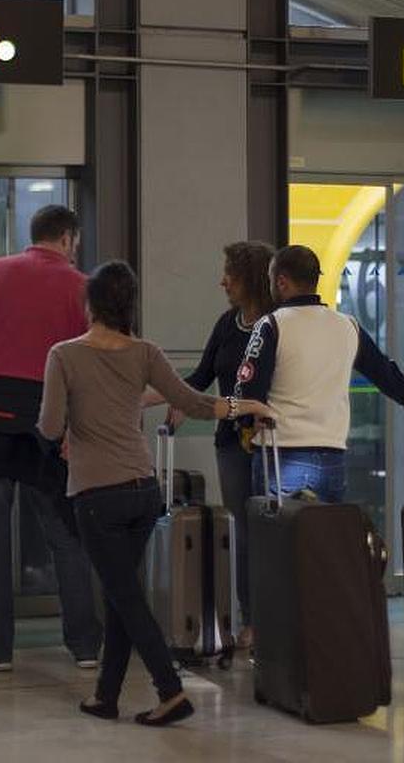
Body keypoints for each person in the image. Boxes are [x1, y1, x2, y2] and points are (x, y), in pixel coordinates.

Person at [38, 261, 275, 727]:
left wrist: (69, 426)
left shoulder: (64, 355)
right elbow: (195, 403)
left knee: (124, 595)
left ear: (90, 306)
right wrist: (245, 404)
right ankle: (106, 697)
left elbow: (48, 426)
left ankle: (169, 690)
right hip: (144, 490)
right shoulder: (145, 351)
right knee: (120, 592)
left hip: (96, 494)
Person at [0, 205, 102, 672]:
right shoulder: (82, 286)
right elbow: (88, 362)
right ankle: (85, 647)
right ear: (69, 239)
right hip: (45, 418)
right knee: (64, 536)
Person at [237, 245, 404, 504]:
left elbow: (248, 386)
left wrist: (245, 426)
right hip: (331, 458)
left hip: (281, 454)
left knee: (278, 541)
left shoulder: (271, 324)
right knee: (326, 539)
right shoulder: (347, 326)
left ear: (282, 281)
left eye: (271, 279)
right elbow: (384, 372)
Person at [162, 241, 275, 652]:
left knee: (273, 530)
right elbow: (203, 374)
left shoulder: (278, 324)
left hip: (273, 442)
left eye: (231, 273)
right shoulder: (228, 323)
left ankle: (282, 614)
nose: (223, 281)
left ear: (252, 279)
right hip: (232, 442)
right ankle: (252, 619)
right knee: (244, 531)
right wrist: (177, 401)